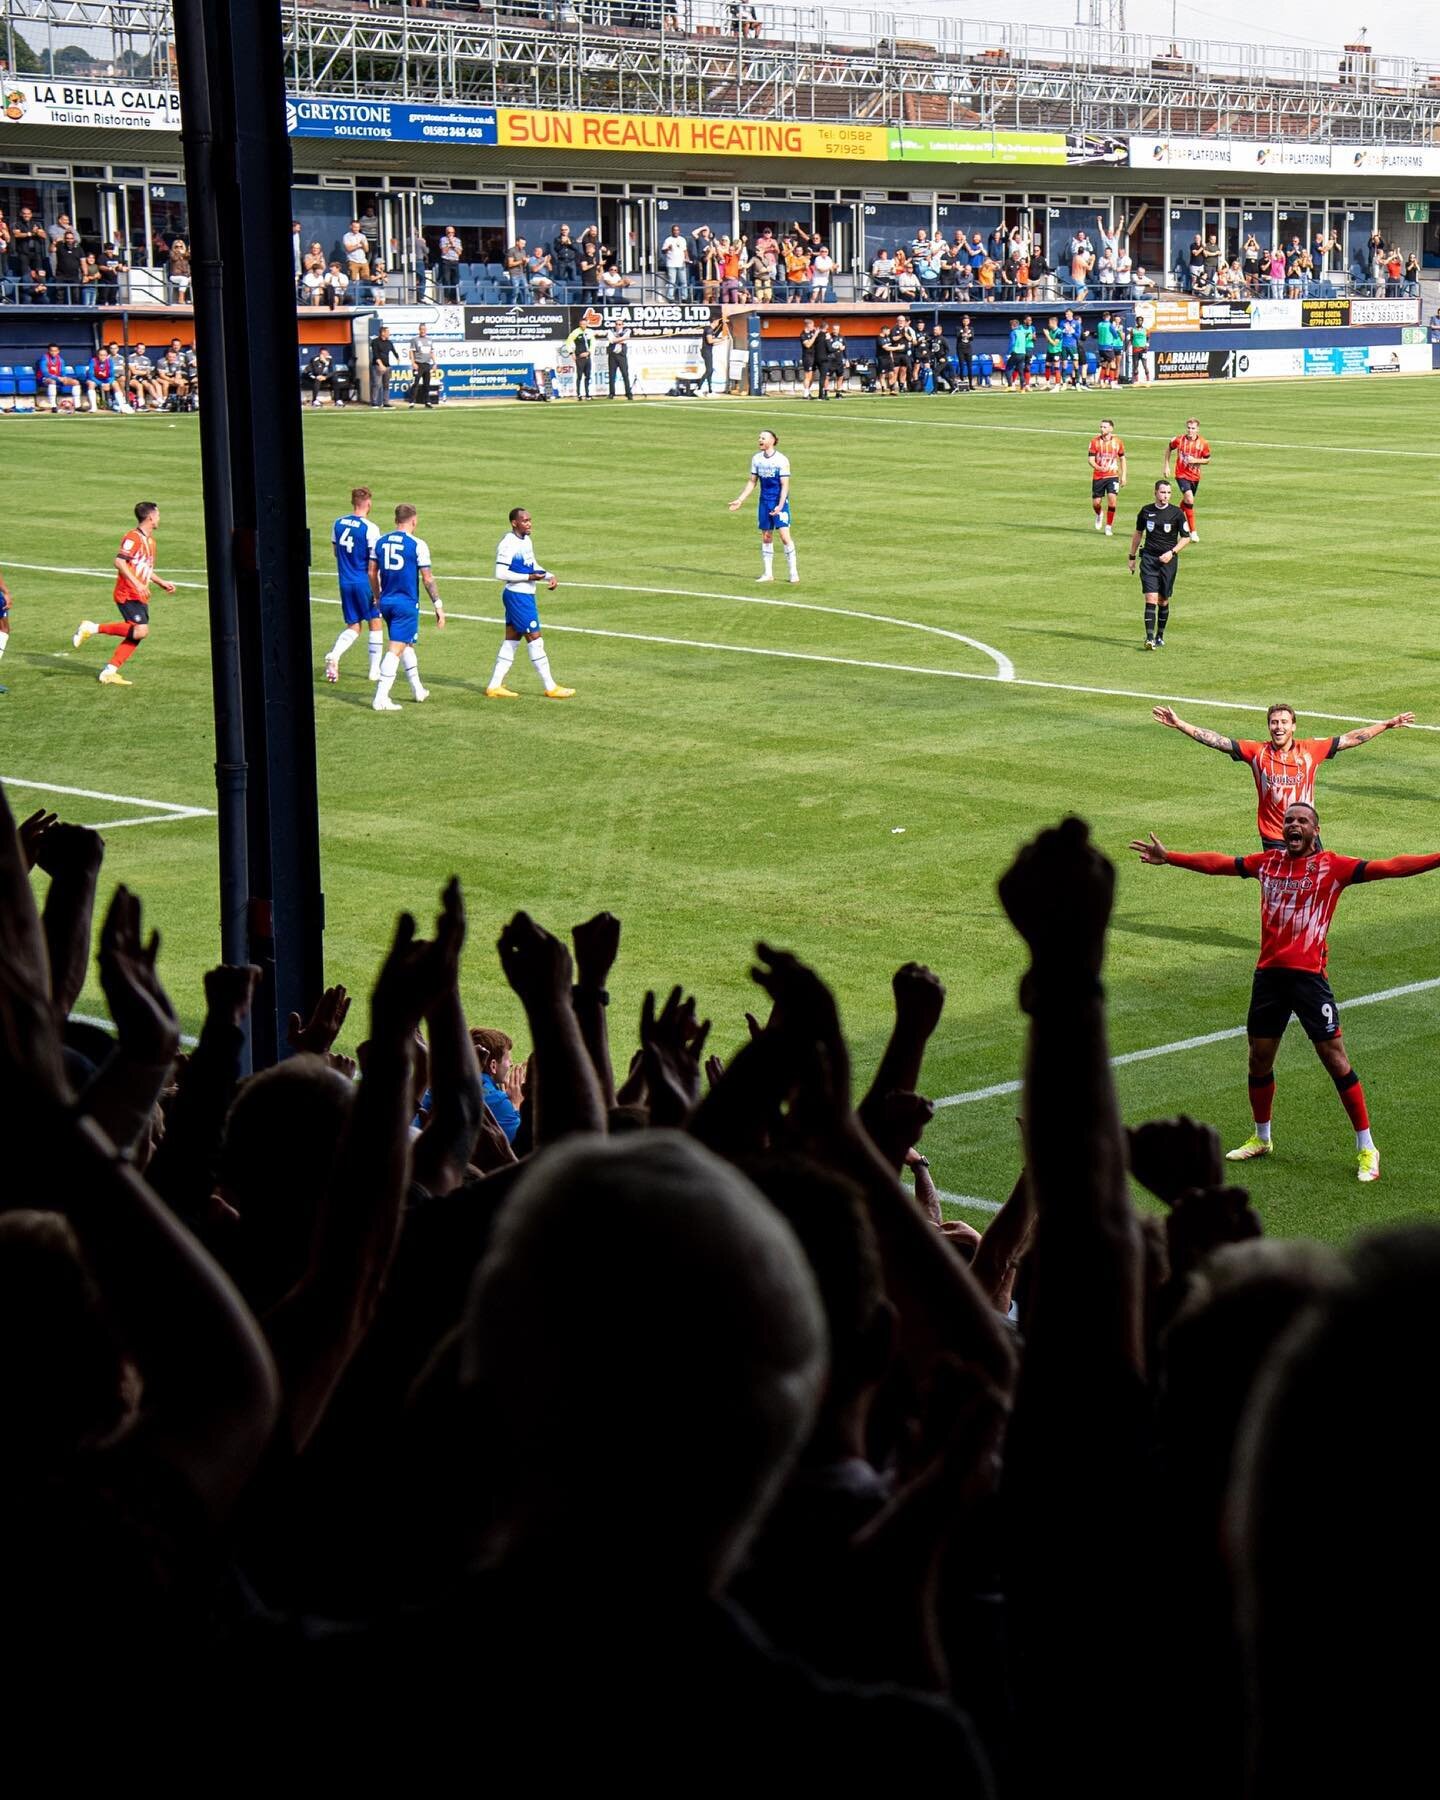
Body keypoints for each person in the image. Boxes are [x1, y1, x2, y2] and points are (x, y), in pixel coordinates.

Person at [1130, 803, 1440, 1182]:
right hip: (1269, 978)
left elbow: (1390, 867)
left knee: (1335, 1059)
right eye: (1289, 820)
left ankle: (1367, 1147)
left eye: (1302, 821)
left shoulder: (1333, 866)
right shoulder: (1268, 863)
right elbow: (1219, 863)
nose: (1293, 825)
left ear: (1315, 829)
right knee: (1259, 1060)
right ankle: (1262, 1138)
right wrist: (1171, 857)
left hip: (1309, 980)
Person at [1150, 701, 1415, 849]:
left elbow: (1350, 739)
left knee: (1317, 891)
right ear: (1269, 726)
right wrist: (1180, 724)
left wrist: (1387, 724)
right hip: (1275, 838)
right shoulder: (1257, 752)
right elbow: (1217, 740)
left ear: (1293, 726)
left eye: (1283, 722)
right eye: (1274, 723)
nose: (1278, 727)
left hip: (1309, 835)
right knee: (1281, 896)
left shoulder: (1311, 750)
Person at [71, 500, 177, 687]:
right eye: (158, 515)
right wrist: (136, 583)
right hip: (127, 593)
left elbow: (145, 567)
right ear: (151, 516)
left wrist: (161, 582)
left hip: (141, 594)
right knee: (140, 630)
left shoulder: (151, 541)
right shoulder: (133, 538)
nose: (159, 518)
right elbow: (119, 562)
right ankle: (91, 628)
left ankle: (109, 672)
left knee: (137, 634)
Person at [485, 506, 574, 701]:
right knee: (536, 640)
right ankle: (550, 686)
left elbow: (532, 565)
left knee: (511, 640)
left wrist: (548, 575)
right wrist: (528, 577)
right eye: (524, 521)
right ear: (514, 523)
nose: (529, 523)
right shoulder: (508, 544)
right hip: (518, 597)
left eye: (530, 520)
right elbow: (500, 573)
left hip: (524, 596)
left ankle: (494, 685)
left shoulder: (526, 540)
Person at [369, 503, 445, 713]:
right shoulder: (417, 544)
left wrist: (377, 596)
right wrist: (438, 605)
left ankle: (418, 690)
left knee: (407, 644)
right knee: (396, 649)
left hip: (387, 602)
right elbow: (427, 579)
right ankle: (381, 698)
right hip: (406, 604)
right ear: (414, 520)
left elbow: (371, 572)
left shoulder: (380, 542)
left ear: (396, 520)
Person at [324, 486, 384, 686]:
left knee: (354, 626)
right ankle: (374, 671)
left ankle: (335, 654)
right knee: (375, 621)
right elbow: (373, 564)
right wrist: (379, 589)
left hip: (345, 581)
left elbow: (335, 552)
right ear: (368, 503)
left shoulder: (338, 523)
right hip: (363, 582)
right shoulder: (370, 528)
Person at [1128, 477, 1193, 649]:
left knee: (1163, 600)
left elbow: (1186, 538)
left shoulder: (1177, 513)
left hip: (1168, 562)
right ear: (1155, 493)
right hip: (1149, 559)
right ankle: (1149, 638)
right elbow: (1137, 534)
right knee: (1151, 597)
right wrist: (1132, 557)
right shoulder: (1145, 511)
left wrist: (1172, 553)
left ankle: (1159, 635)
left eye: (1168, 493)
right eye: (1163, 492)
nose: (1165, 496)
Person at [729, 429, 798, 585]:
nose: (760, 440)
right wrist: (740, 499)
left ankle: (793, 572)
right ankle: (768, 573)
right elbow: (752, 481)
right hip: (764, 502)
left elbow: (785, 485)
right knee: (766, 536)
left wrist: (780, 505)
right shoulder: (757, 459)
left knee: (784, 537)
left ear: (772, 441)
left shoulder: (782, 460)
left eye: (763, 438)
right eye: (759, 438)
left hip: (779, 502)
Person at [1163, 418, 1211, 538]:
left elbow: (1207, 459)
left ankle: (1173, 518)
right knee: (1189, 499)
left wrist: (1196, 460)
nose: (1190, 430)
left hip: (1195, 476)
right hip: (1181, 474)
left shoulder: (1203, 443)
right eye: (1188, 428)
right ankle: (1193, 532)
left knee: (1186, 502)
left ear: (1197, 429)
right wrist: (1166, 466)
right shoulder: (1180, 440)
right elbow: (1169, 448)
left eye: (1193, 428)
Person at [1087, 419, 1127, 535]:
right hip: (1099, 476)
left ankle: (1109, 526)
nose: (1102, 429)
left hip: (1112, 475)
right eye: (1101, 427)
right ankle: (1099, 514)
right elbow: (1090, 460)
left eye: (1104, 427)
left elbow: (1122, 458)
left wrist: (1123, 475)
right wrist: (1099, 468)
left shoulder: (1118, 442)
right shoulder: (1095, 442)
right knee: (1096, 503)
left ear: (1111, 428)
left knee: (1112, 501)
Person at [82, 343, 130, 413]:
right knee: (91, 383)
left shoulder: (110, 361)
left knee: (115, 384)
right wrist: (101, 384)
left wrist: (108, 383)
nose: (103, 357)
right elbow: (91, 376)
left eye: (104, 355)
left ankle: (122, 406)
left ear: (107, 355)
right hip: (95, 379)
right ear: (98, 355)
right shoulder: (93, 361)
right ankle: (93, 407)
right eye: (101, 355)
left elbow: (112, 375)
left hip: (105, 379)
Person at [36, 345, 83, 413]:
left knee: (76, 382)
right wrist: (58, 378)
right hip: (44, 378)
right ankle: (53, 406)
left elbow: (63, 371)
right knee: (52, 381)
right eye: (51, 351)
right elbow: (45, 373)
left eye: (55, 351)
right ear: (49, 351)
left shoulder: (61, 360)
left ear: (58, 351)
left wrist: (64, 378)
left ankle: (77, 406)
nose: (53, 352)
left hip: (58, 378)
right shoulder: (44, 359)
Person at [564, 318, 594, 400]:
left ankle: (588, 394)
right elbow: (568, 342)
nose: (583, 326)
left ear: (587, 324)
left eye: (585, 324)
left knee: (588, 376)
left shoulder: (590, 332)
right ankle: (579, 394)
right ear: (579, 324)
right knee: (579, 376)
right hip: (580, 357)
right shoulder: (575, 332)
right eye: (582, 324)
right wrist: (571, 353)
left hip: (587, 357)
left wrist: (589, 352)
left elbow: (593, 343)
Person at [660, 224, 690, 301]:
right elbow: (663, 251)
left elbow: (685, 250)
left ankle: (684, 297)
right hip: (671, 264)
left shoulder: (682, 239)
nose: (676, 232)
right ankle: (670, 297)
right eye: (674, 230)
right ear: (672, 231)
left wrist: (687, 258)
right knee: (672, 282)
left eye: (677, 230)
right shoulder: (668, 240)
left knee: (683, 281)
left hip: (681, 263)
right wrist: (668, 248)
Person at [409, 326, 437, 408]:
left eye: (424, 329)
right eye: (421, 329)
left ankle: (427, 401)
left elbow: (431, 352)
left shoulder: (430, 340)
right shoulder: (415, 340)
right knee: (416, 383)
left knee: (427, 384)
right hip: (418, 364)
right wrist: (413, 363)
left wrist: (435, 363)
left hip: (427, 364)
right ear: (419, 330)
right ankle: (412, 401)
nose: (423, 331)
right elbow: (411, 352)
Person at [700, 314, 728, 395]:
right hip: (706, 351)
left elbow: (712, 342)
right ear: (715, 321)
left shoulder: (710, 330)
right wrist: (721, 339)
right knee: (709, 370)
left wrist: (721, 340)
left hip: (708, 350)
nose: (717, 324)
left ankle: (710, 390)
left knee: (710, 371)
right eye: (717, 322)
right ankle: (698, 388)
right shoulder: (709, 329)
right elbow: (710, 341)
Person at [606, 317, 633, 400]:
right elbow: (611, 341)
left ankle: (628, 393)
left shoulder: (627, 331)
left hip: (622, 356)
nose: (618, 326)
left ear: (622, 325)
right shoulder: (610, 331)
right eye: (617, 324)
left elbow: (624, 341)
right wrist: (622, 339)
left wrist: (617, 340)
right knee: (612, 375)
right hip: (612, 355)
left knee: (625, 374)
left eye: (620, 324)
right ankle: (611, 393)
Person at [821, 320, 847, 399]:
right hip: (830, 360)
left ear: (839, 329)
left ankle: (838, 393)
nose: (835, 331)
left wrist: (846, 359)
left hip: (839, 360)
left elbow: (845, 348)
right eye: (834, 329)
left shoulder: (842, 337)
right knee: (827, 377)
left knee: (840, 376)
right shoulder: (829, 337)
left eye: (837, 329)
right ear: (832, 329)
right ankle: (825, 392)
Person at [370, 325, 394, 407]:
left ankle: (386, 402)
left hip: (387, 366)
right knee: (376, 384)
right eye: (387, 332)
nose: (389, 334)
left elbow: (394, 351)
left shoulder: (389, 342)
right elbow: (376, 354)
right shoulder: (375, 342)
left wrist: (397, 357)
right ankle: (374, 402)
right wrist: (381, 365)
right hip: (377, 366)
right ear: (383, 333)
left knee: (386, 385)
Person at [438, 228, 464, 300]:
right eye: (449, 232)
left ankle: (454, 298)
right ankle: (446, 297)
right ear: (446, 232)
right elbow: (444, 251)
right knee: (446, 280)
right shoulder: (443, 239)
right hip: (446, 261)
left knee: (455, 281)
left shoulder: (458, 240)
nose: (450, 234)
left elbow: (459, 252)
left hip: (455, 261)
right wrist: (449, 244)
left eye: (452, 232)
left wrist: (454, 245)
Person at [1130, 313, 1151, 384]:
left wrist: (1147, 345)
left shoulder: (1146, 330)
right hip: (1135, 349)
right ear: (1136, 321)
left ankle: (1148, 380)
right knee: (1135, 365)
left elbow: (1148, 338)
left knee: (1145, 365)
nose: (1140, 322)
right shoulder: (1133, 330)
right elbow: (1131, 339)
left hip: (1143, 350)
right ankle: (1136, 380)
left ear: (1142, 321)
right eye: (1138, 320)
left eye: (1141, 320)